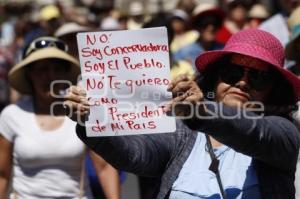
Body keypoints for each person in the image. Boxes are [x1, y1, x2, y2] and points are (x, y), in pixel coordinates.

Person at [64, 29, 300, 198]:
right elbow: (136, 155)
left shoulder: (282, 134)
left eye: (258, 77)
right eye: (232, 72)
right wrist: (91, 120)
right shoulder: (184, 132)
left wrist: (201, 112)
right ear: (216, 78)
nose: (242, 83)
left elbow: (253, 132)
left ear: (274, 90)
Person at [0, 37, 120, 198]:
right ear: (29, 74)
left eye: (58, 69)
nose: (51, 76)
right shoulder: (12, 115)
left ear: (66, 74)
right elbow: (2, 175)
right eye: (43, 69)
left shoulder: (84, 112)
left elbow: (105, 167)